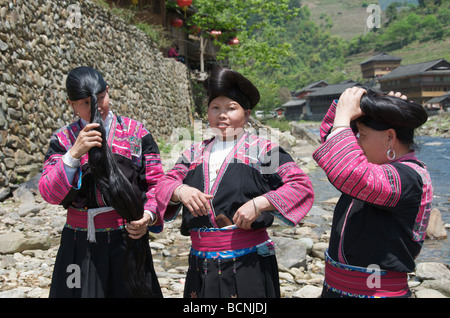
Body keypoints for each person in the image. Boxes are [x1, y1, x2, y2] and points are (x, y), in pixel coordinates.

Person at [155, 67, 314, 298]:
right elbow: (164, 183)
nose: (222, 115)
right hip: (200, 263)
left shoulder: (263, 150)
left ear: (247, 115)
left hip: (248, 262)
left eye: (231, 108)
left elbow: (300, 186)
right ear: (207, 113)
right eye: (215, 108)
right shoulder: (193, 153)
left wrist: (259, 203)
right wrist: (181, 190)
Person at [39, 66, 164, 298]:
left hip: (127, 240)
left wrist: (148, 216)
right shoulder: (63, 140)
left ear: (108, 91)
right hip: (79, 242)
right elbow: (49, 193)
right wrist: (74, 153)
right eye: (85, 103)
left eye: (100, 98)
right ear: (72, 105)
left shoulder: (136, 134)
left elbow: (156, 184)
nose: (97, 108)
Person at [312, 87, 433, 298]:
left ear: (389, 137)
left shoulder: (410, 178)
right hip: (334, 289)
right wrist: (368, 103)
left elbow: (348, 169)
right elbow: (333, 146)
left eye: (363, 135)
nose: (356, 142)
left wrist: (343, 120)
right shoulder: (370, 164)